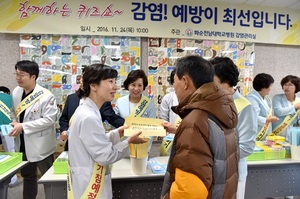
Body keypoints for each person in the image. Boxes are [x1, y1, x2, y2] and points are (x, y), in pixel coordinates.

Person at [161, 55, 239, 199]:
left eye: (175, 82)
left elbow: (189, 192)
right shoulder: (222, 109)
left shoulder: (194, 121)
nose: (175, 89)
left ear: (185, 82)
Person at [68, 63, 146, 199]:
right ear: (93, 85)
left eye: (115, 82)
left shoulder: (87, 110)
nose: (115, 86)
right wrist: (128, 142)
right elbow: (106, 156)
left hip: (86, 178)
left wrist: (118, 133)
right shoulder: (89, 117)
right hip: (90, 184)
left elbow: (96, 140)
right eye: (110, 81)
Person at [10, 60, 58, 199]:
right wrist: (14, 122)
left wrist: (23, 126)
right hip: (23, 143)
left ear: (33, 77)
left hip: (41, 145)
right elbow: (15, 112)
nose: (18, 78)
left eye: (22, 74)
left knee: (49, 177)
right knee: (28, 177)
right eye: (17, 74)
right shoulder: (16, 92)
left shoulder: (46, 95)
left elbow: (49, 120)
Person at [211, 57, 257, 199]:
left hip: (233, 175)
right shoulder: (215, 102)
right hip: (213, 173)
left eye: (213, 82)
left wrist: (212, 156)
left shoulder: (245, 106)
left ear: (227, 81)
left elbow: (246, 147)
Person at [59, 84, 124, 151]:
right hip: (72, 145)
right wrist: (64, 131)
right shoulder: (71, 98)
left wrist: (130, 126)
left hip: (92, 146)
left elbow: (113, 118)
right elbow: (64, 118)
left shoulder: (102, 100)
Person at [114, 69, 156, 153]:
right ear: (128, 85)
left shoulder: (149, 104)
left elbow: (152, 129)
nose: (136, 89)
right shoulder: (120, 102)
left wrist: (145, 149)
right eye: (133, 85)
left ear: (143, 86)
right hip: (122, 150)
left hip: (141, 149)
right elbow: (114, 126)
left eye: (140, 85)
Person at [246, 73, 279, 141]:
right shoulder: (252, 98)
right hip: (257, 134)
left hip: (266, 135)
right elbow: (253, 117)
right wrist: (268, 120)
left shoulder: (266, 98)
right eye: (270, 86)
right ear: (264, 87)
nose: (271, 88)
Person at [0, 86, 22, 188]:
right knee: (11, 151)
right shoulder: (10, 98)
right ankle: (12, 180)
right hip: (6, 127)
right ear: (7, 92)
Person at [272, 75, 300, 140]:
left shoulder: (298, 100)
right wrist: (295, 107)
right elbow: (279, 112)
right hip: (279, 133)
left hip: (294, 134)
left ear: (296, 87)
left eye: (290, 85)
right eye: (285, 84)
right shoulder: (277, 98)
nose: (286, 87)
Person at [158, 70, 179, 156]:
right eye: (174, 81)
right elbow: (163, 119)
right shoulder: (168, 98)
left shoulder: (194, 98)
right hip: (170, 139)